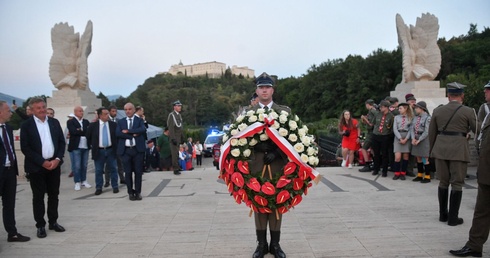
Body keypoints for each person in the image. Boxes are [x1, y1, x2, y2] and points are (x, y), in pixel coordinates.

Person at [248, 72, 289, 258]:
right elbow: (239, 140)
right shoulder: (248, 114)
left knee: (277, 203)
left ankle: (276, 245)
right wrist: (257, 144)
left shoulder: (285, 112)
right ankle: (261, 245)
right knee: (258, 203)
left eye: (267, 87)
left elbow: (292, 141)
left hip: (277, 164)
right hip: (256, 164)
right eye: (261, 87)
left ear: (272, 90)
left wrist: (276, 152)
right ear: (256, 91)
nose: (264, 90)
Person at [449, 82, 490, 257]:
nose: (485, 92)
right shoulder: (486, 110)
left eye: (488, 90)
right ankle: (474, 245)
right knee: (481, 210)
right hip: (487, 169)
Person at [429, 82, 477, 226]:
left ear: (448, 96)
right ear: (462, 95)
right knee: (457, 183)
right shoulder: (468, 111)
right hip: (458, 149)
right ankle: (453, 218)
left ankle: (443, 215)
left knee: (443, 181)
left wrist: (432, 151)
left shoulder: (438, 111)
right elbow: (477, 130)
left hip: (441, 149)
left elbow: (432, 133)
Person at [20, 97, 66, 238]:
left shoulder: (54, 122)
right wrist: (42, 162)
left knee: (54, 194)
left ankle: (53, 221)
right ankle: (40, 225)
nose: (42, 110)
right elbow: (25, 148)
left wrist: (57, 159)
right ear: (32, 110)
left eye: (43, 107)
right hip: (37, 167)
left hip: (54, 165)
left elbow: (61, 142)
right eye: (38, 108)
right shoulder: (26, 125)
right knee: (38, 197)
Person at [0, 100, 30, 242]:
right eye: (7, 110)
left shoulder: (8, 127)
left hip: (10, 171)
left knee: (9, 204)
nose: (10, 113)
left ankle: (12, 233)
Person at [116, 102, 146, 201]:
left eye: (129, 109)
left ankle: (138, 192)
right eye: (126, 109)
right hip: (126, 151)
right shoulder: (121, 122)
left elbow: (142, 129)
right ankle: (130, 192)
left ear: (133, 110)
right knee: (128, 172)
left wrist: (129, 131)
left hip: (137, 150)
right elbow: (118, 133)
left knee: (138, 172)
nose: (127, 111)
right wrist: (132, 135)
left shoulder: (139, 120)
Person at [86, 107, 119, 195]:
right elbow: (88, 137)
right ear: (100, 115)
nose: (107, 115)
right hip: (99, 150)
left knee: (113, 168)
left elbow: (117, 137)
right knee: (99, 170)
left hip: (110, 149)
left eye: (108, 113)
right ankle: (99, 187)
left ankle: (115, 186)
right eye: (105, 114)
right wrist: (92, 146)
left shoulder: (113, 125)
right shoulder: (93, 126)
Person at [67, 106, 91, 191]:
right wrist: (80, 131)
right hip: (76, 146)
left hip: (85, 145)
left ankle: (84, 180)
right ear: (75, 112)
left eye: (82, 111)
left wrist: (80, 130)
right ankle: (77, 182)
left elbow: (88, 132)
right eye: (80, 111)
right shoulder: (71, 122)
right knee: (77, 166)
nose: (81, 112)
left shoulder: (86, 121)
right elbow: (73, 132)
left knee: (84, 165)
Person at [371, 100, 394, 177]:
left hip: (385, 136)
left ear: (386, 107)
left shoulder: (391, 116)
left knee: (385, 154)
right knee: (376, 154)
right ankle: (376, 169)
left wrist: (389, 135)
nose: (380, 108)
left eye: (382, 107)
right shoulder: (377, 114)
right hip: (376, 135)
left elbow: (391, 128)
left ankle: (384, 170)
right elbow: (373, 123)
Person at [410, 101, 432, 183]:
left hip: (423, 139)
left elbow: (427, 131)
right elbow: (412, 128)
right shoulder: (415, 117)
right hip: (416, 137)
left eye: (417, 108)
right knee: (418, 157)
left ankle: (427, 176)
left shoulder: (427, 118)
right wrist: (413, 138)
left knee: (425, 158)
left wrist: (419, 140)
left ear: (422, 109)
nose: (415, 109)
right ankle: (419, 174)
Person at [392, 103, 413, 180]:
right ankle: (396, 172)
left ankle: (403, 173)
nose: (399, 110)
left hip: (407, 135)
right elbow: (395, 128)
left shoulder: (410, 118)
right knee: (397, 157)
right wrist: (400, 138)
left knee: (405, 156)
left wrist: (406, 139)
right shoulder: (396, 117)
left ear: (405, 108)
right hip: (398, 136)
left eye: (400, 108)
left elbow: (411, 129)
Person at [106, 105, 125, 185]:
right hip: (109, 145)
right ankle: (107, 180)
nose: (115, 113)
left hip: (118, 144)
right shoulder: (106, 121)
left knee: (120, 162)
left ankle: (122, 178)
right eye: (113, 111)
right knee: (108, 164)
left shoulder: (118, 121)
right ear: (109, 112)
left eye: (115, 111)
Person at [359, 99, 377, 172]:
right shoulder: (372, 111)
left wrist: (364, 119)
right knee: (373, 149)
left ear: (367, 104)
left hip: (371, 132)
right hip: (373, 132)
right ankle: (375, 163)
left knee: (364, 148)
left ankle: (367, 164)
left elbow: (371, 124)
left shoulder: (373, 111)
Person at [167, 100, 185, 175]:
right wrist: (173, 138)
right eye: (178, 106)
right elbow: (171, 128)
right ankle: (175, 168)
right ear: (174, 107)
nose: (179, 107)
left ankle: (177, 166)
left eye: (180, 106)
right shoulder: (172, 115)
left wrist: (182, 137)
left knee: (177, 153)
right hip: (174, 138)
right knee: (174, 154)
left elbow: (180, 128)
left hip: (178, 137)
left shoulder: (179, 115)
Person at [475, 81, 490, 154]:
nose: (485, 91)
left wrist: (478, 146)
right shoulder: (485, 107)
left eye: (487, 89)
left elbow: (479, 128)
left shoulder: (484, 108)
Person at [405, 93, 417, 177]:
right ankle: (404, 168)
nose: (413, 103)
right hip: (405, 134)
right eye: (411, 101)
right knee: (405, 152)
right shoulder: (405, 110)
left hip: (414, 134)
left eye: (414, 101)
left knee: (412, 153)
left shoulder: (417, 109)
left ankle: (410, 169)